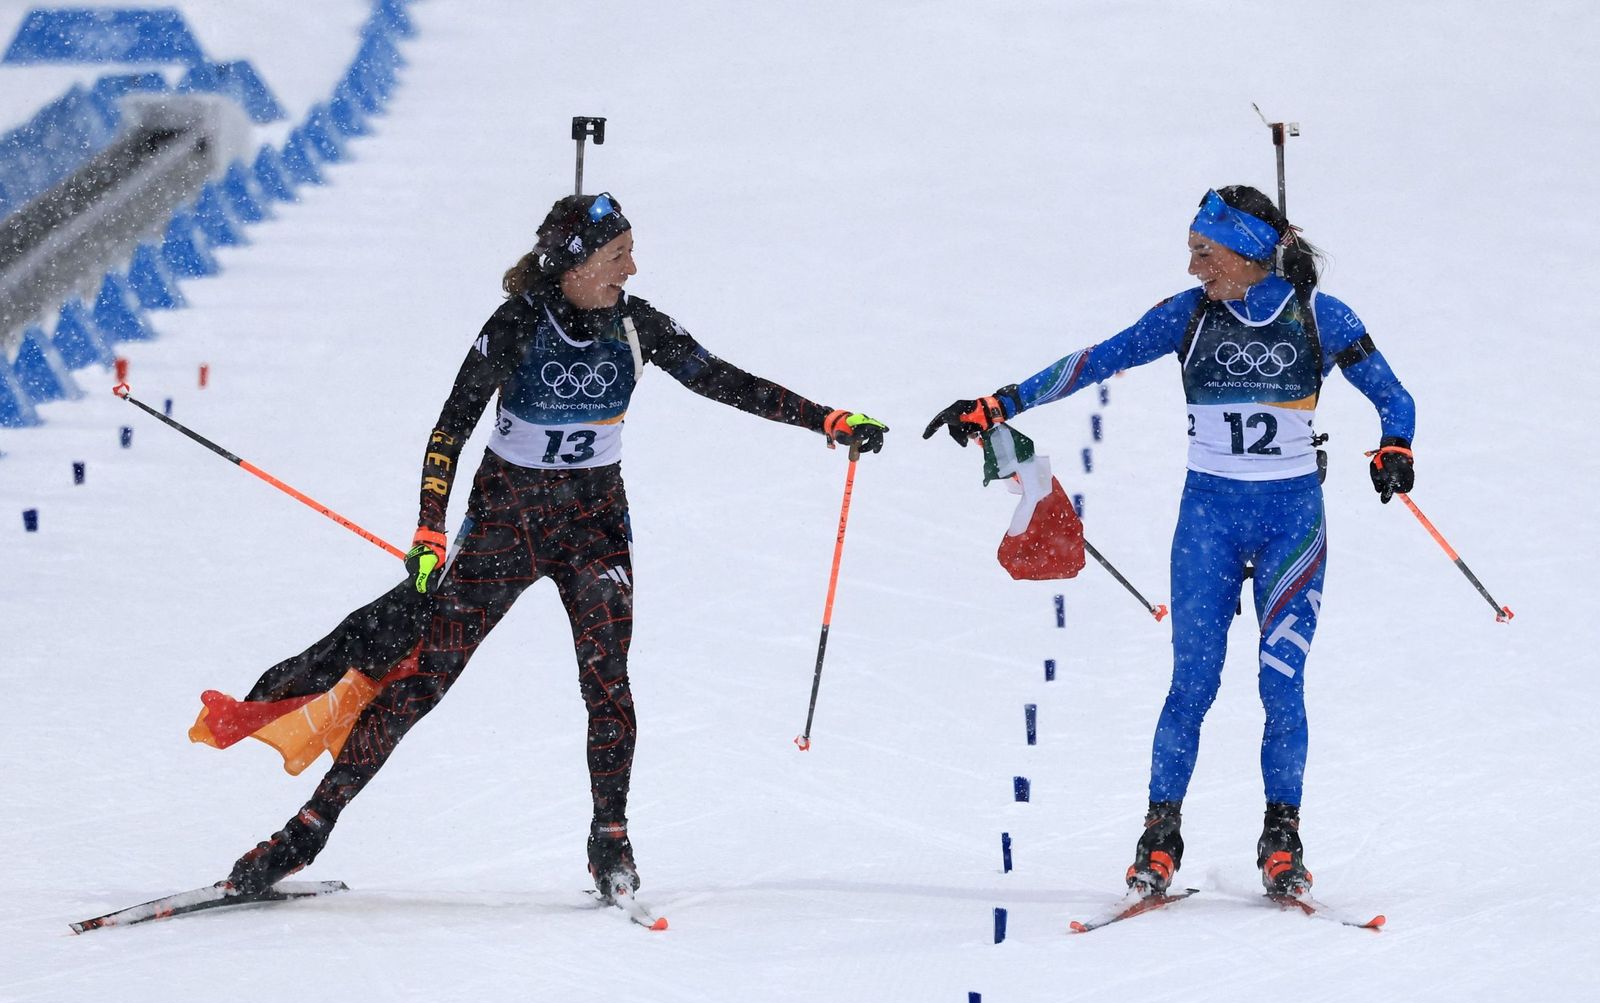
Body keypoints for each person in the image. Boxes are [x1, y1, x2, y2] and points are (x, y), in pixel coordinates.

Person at [223, 192, 888, 902]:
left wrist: (826, 419)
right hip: (505, 526)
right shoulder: (517, 324)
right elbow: (450, 429)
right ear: (575, 266)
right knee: (423, 679)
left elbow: (723, 379)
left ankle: (611, 842)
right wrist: (429, 528)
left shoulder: (636, 325)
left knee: (608, 683)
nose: (632, 268)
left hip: (593, 529)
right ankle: (305, 832)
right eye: (617, 255)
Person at [923, 185, 1415, 897]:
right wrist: (1000, 403)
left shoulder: (1319, 317)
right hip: (1208, 525)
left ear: (1247, 250)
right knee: (1192, 683)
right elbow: (1096, 359)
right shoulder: (1188, 317)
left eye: (1204, 253)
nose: (1192, 268)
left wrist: (1395, 446)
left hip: (1292, 526)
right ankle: (1160, 837)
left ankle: (1282, 839)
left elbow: (1394, 396)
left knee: (1282, 684)